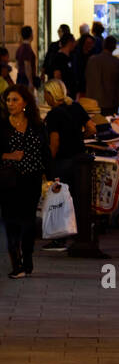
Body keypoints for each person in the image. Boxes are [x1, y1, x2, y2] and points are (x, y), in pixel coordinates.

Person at [0, 84, 51, 276]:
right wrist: (8, 155)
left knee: (28, 220)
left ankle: (27, 256)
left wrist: (52, 176)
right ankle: (16, 263)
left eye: (15, 99)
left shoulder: (37, 125)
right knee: (11, 221)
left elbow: (45, 152)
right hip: (8, 181)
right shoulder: (2, 126)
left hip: (31, 179)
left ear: (25, 102)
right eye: (8, 100)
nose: (10, 104)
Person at [43, 80, 94, 249]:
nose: (44, 97)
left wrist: (48, 163)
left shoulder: (54, 114)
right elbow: (92, 128)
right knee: (77, 197)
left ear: (51, 94)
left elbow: (54, 142)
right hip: (79, 158)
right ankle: (79, 231)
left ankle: (60, 237)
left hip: (63, 160)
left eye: (45, 93)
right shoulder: (76, 107)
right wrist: (79, 138)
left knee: (60, 199)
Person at [84, 35, 119, 114]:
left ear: (103, 45)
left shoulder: (91, 60)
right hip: (110, 102)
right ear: (114, 47)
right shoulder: (117, 62)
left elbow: (87, 77)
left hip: (92, 102)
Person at [48, 34, 78, 99]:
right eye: (74, 42)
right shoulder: (58, 57)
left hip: (71, 91)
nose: (75, 44)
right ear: (70, 43)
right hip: (65, 92)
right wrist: (63, 89)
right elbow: (57, 75)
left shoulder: (71, 56)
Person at [15, 26, 37, 91]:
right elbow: (27, 66)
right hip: (25, 79)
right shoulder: (27, 48)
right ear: (31, 34)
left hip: (20, 77)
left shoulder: (20, 48)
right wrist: (30, 82)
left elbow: (17, 65)